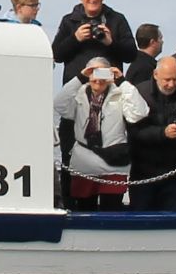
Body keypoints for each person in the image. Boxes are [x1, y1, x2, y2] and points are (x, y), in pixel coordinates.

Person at [123, 54, 176, 209]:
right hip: (144, 172)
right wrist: (162, 133)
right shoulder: (140, 93)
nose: (171, 84)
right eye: (167, 80)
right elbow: (133, 130)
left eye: (175, 79)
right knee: (141, 219)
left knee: (173, 220)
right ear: (156, 75)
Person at [55, 56, 133, 210]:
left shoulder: (120, 94)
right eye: (94, 73)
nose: (98, 79)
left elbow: (139, 112)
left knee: (112, 210)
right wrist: (80, 77)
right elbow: (59, 104)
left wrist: (122, 81)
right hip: (85, 161)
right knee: (85, 210)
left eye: (102, 73)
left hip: (113, 161)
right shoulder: (78, 95)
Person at [52, 0, 136, 81]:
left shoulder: (117, 19)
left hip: (108, 85)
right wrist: (75, 39)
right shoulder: (69, 21)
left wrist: (111, 43)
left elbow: (131, 56)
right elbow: (56, 55)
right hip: (76, 85)